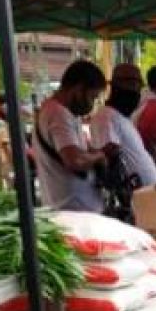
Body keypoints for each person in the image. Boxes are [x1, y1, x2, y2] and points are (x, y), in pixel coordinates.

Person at [33, 60, 112, 213]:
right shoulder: (58, 114)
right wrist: (99, 157)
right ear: (78, 89)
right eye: (92, 97)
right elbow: (75, 160)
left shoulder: (61, 112)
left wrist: (91, 151)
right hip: (72, 211)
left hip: (74, 210)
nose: (92, 104)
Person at [88, 63, 156, 190]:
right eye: (133, 87)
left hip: (145, 197)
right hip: (131, 200)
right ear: (116, 88)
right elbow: (109, 159)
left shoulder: (121, 118)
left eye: (137, 88)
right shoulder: (106, 117)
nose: (136, 92)